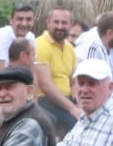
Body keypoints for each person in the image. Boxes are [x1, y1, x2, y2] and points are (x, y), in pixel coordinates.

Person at [31, 7, 80, 135]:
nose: (60, 26)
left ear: (71, 25)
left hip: (66, 100)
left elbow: (73, 82)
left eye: (64, 23)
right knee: (78, 128)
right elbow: (45, 85)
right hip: (46, 101)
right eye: (56, 22)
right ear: (48, 23)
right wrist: (72, 108)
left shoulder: (70, 48)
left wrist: (78, 104)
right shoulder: (40, 45)